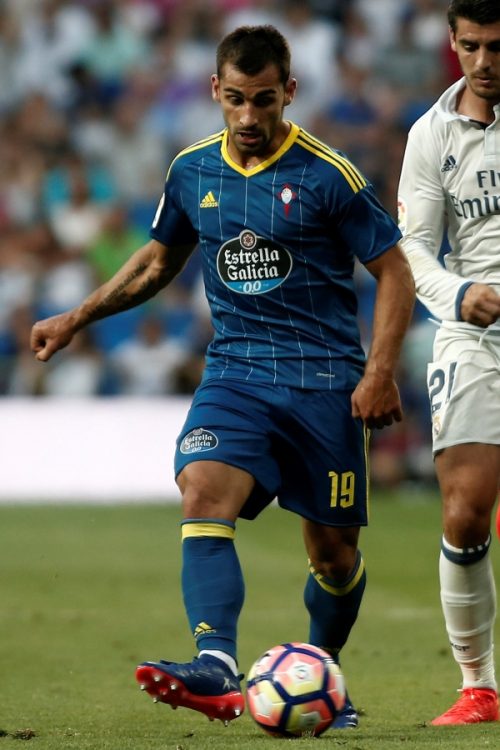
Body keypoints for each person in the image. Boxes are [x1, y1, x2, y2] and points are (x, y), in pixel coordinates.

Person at [31, 25, 415, 730]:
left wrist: (380, 370)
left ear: (289, 92)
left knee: (334, 557)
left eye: (263, 100)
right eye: (235, 99)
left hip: (325, 380)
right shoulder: (192, 170)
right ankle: (214, 663)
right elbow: (157, 262)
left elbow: (394, 270)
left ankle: (320, 671)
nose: (248, 116)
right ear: (215, 90)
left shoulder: (329, 175)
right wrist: (77, 317)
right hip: (236, 372)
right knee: (202, 487)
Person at [397, 0, 500, 726]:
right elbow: (413, 248)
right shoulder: (431, 133)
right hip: (474, 333)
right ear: (452, 44)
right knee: (465, 510)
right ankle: (478, 687)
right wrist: (459, 294)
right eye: (471, 46)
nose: (485, 62)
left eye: (498, 46)